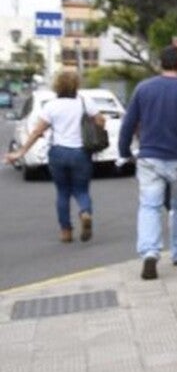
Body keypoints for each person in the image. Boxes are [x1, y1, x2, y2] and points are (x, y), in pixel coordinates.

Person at [117, 45, 177, 281]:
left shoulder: (143, 89)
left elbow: (128, 124)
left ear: (160, 63)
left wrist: (124, 151)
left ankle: (150, 253)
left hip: (149, 158)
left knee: (149, 206)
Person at [5, 71, 105, 243]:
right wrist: (93, 130)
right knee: (81, 190)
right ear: (76, 85)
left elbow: (37, 131)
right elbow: (100, 120)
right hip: (81, 153)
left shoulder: (51, 106)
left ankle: (66, 231)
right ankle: (85, 212)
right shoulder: (84, 102)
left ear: (57, 85)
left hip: (58, 152)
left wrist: (20, 152)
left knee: (63, 192)